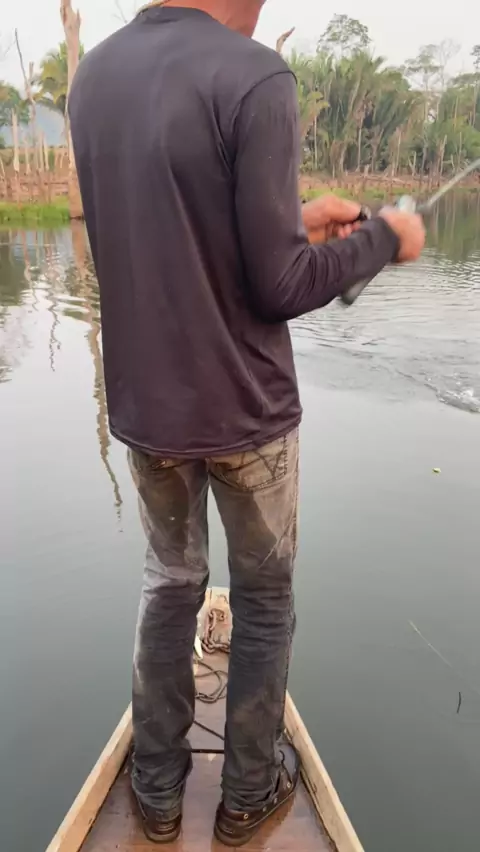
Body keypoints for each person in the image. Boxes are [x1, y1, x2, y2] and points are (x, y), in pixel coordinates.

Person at [69, 0, 425, 845]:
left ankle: (156, 796)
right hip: (248, 413)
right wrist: (384, 239)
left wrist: (295, 222)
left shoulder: (94, 77)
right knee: (263, 600)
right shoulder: (256, 75)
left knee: (169, 585)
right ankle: (247, 798)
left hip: (148, 411)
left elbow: (171, 230)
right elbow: (278, 286)